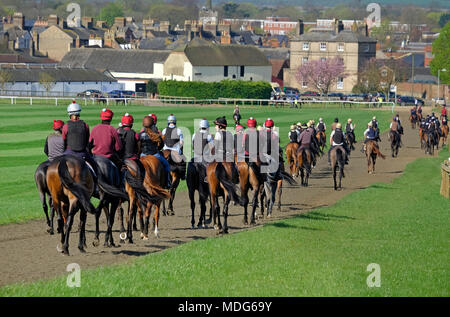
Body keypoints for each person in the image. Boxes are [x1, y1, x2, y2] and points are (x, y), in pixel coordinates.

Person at [62, 101, 97, 173]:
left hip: (68, 152)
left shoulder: (65, 126)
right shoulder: (85, 125)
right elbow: (87, 140)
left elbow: (64, 140)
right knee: (94, 165)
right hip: (82, 153)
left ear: (69, 113)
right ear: (79, 113)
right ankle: (96, 180)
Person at [139, 116, 171, 189]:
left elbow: (139, 147)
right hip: (155, 154)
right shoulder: (156, 134)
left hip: (143, 155)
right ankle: (167, 182)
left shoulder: (140, 134)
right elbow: (161, 146)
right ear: (152, 124)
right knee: (166, 165)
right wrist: (157, 148)